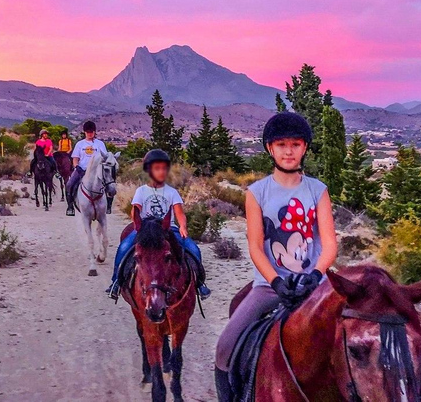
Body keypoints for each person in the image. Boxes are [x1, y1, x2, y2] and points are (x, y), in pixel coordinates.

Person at [213, 112, 337, 401]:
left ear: (305, 147)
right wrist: (277, 282)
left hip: (313, 288)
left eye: (295, 144)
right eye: (281, 144)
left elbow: (329, 244)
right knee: (224, 349)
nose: (289, 150)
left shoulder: (318, 191)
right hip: (270, 287)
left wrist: (315, 276)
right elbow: (256, 246)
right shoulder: (257, 192)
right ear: (270, 148)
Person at [105, 149, 212, 301]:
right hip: (146, 230)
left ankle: (200, 284)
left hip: (168, 229)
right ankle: (116, 281)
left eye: (163, 169)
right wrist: (136, 218)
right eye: (157, 169)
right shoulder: (141, 191)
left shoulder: (172, 192)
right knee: (123, 248)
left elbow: (179, 213)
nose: (161, 172)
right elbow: (136, 210)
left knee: (194, 249)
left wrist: (182, 226)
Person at [66, 121, 108, 216]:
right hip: (82, 169)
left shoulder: (100, 144)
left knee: (109, 184)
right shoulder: (80, 144)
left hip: (96, 170)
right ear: (85, 132)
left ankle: (108, 205)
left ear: (94, 132)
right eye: (88, 132)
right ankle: (70, 206)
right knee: (69, 184)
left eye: (91, 132)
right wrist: (77, 167)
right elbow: (75, 159)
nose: (90, 134)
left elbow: (105, 158)